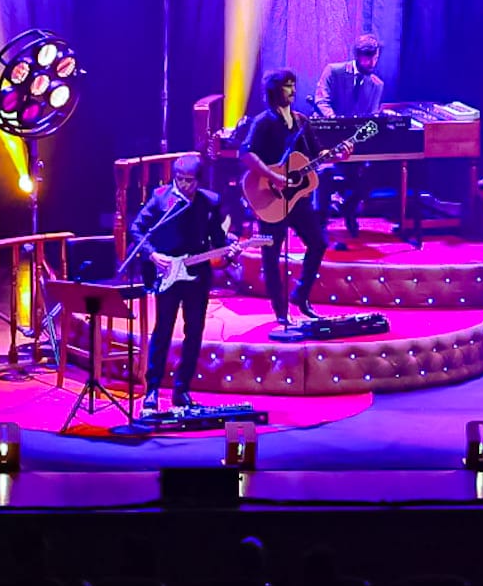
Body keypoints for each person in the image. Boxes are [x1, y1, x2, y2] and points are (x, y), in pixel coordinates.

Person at [128, 154, 237, 412]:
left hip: (197, 275)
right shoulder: (161, 197)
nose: (184, 186)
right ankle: (152, 389)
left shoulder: (209, 202)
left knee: (194, 331)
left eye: (189, 181)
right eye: (179, 180)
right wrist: (153, 255)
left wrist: (230, 253)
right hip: (167, 272)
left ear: (198, 180)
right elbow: (137, 229)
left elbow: (218, 242)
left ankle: (182, 389)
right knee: (162, 330)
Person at [243, 69, 343, 326]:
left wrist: (335, 155)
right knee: (271, 255)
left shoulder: (302, 121)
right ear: (275, 91)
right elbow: (246, 153)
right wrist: (273, 176)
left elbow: (314, 153)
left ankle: (300, 294)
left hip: (298, 201)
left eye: (293, 85)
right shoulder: (263, 122)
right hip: (270, 199)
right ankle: (280, 309)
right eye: (287, 86)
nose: (293, 90)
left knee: (319, 242)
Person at [313, 34, 385, 241]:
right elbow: (322, 100)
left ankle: (349, 207)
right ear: (357, 55)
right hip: (326, 140)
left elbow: (370, 118)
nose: (371, 63)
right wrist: (336, 124)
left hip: (355, 143)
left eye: (374, 58)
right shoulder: (334, 71)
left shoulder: (377, 85)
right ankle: (321, 222)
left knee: (374, 170)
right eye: (367, 58)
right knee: (325, 172)